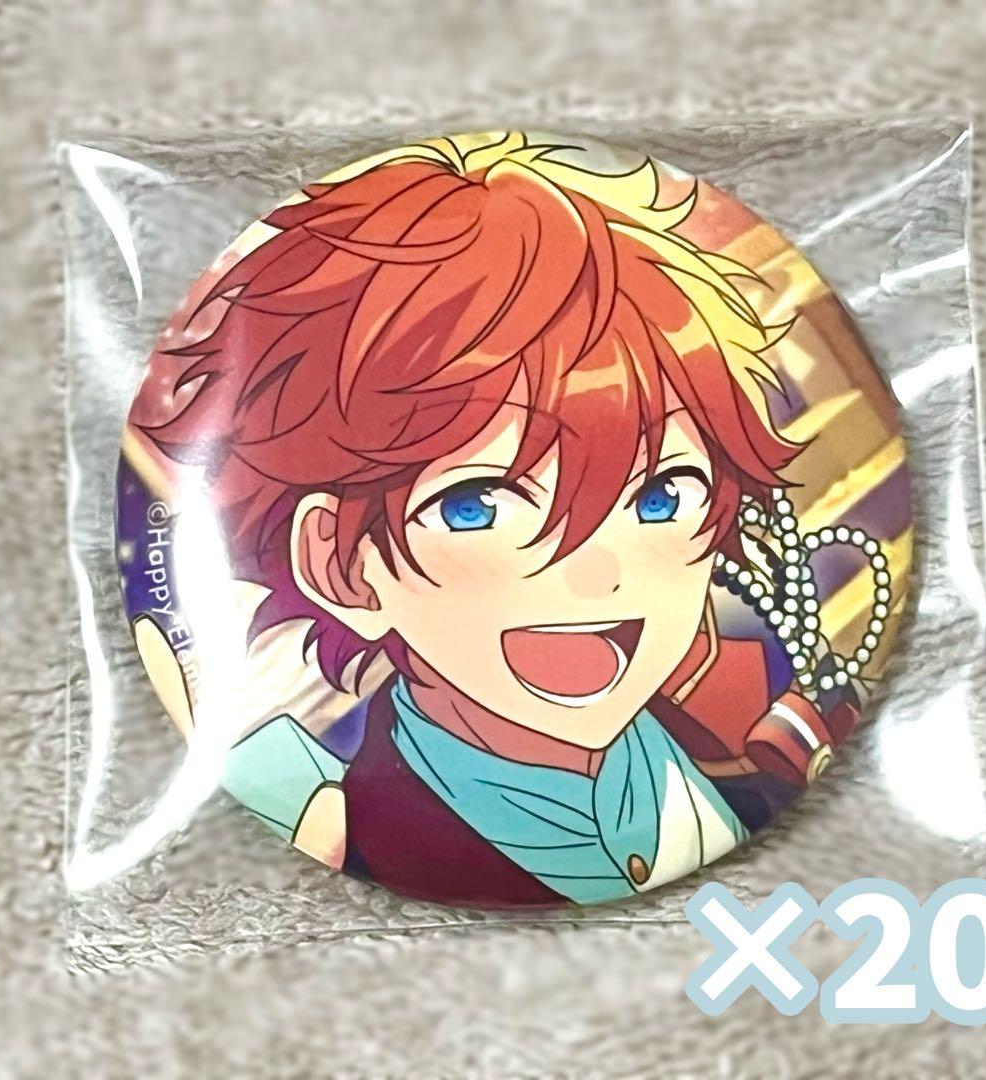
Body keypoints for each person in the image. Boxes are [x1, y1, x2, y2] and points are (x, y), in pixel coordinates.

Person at [145, 132, 858, 907]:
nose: (596, 576)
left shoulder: (731, 770)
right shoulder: (365, 834)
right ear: (340, 567)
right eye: (475, 505)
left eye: (661, 497)